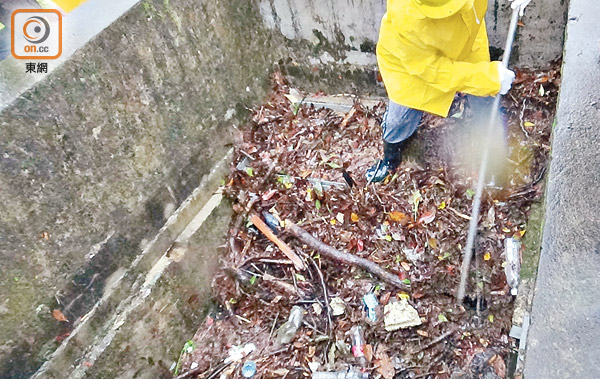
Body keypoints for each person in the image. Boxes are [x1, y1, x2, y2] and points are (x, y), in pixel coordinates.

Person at [366, 0, 531, 183]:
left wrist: (487, 82)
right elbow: (429, 69)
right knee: (399, 119)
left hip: (466, 40)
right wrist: (488, 78)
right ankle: (390, 156)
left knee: (485, 101)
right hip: (411, 68)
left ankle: (493, 162)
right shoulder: (406, 15)